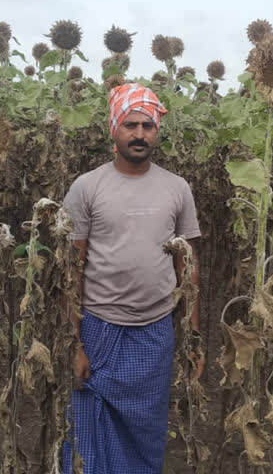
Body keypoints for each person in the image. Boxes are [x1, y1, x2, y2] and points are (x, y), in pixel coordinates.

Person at [61, 83, 204, 473]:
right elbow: (71, 269)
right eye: (131, 125)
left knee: (145, 430)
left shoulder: (177, 188)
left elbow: (188, 267)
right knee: (86, 433)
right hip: (98, 328)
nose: (140, 134)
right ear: (114, 129)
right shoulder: (87, 187)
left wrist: (192, 338)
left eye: (148, 125)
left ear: (157, 131)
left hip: (153, 331)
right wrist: (75, 344)